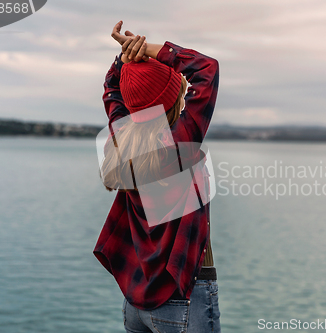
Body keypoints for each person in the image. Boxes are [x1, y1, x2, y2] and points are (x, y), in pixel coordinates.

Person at [93, 21, 221, 333]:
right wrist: (149, 50)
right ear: (174, 98)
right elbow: (207, 69)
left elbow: (113, 90)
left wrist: (124, 58)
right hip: (182, 299)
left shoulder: (123, 142)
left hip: (136, 302)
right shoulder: (180, 146)